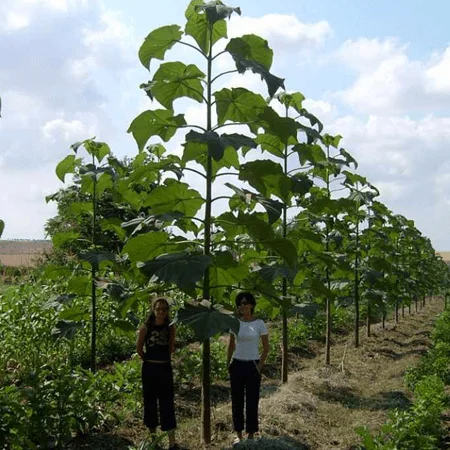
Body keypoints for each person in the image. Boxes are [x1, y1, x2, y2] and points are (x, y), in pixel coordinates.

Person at [227, 292, 270, 445]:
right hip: (237, 364)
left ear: (251, 304)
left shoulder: (259, 323)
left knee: (252, 400)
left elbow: (266, 347)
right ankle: (238, 434)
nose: (242, 306)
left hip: (252, 365)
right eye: (240, 304)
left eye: (245, 303)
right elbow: (231, 345)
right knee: (236, 400)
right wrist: (228, 364)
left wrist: (259, 366)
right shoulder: (235, 323)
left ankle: (251, 434)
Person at [136, 297, 179, 450]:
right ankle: (154, 440)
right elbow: (139, 348)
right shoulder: (146, 328)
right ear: (153, 310)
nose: (161, 311)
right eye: (158, 309)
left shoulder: (170, 327)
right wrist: (148, 360)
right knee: (150, 403)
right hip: (150, 369)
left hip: (165, 368)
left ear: (167, 311)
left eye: (164, 309)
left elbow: (171, 348)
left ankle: (172, 442)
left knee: (167, 403)